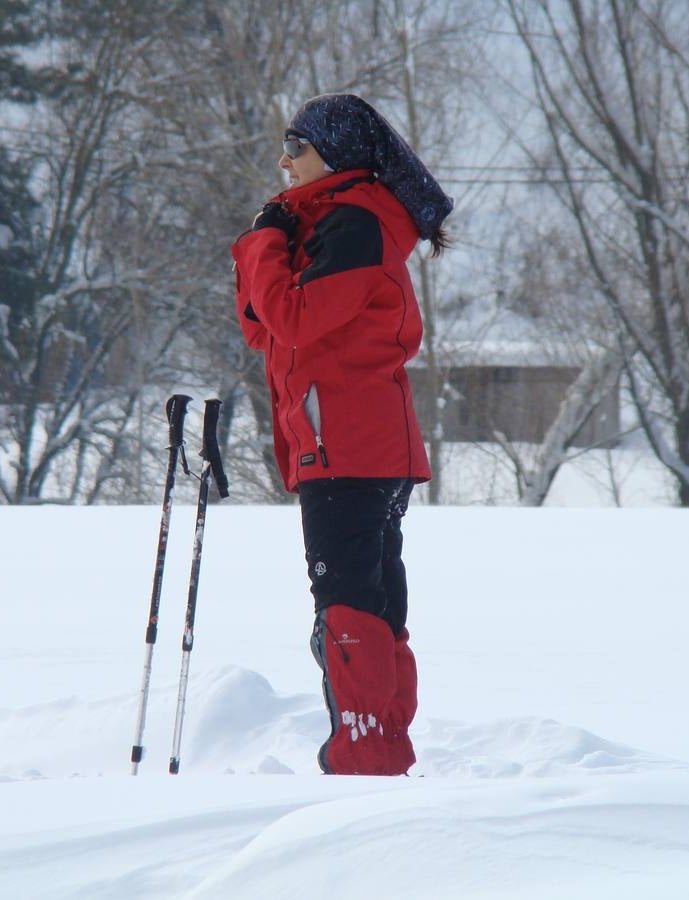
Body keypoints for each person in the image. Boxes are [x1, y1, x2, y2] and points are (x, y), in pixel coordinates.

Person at [230, 93, 453, 775]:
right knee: (373, 602)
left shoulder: (354, 223)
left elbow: (291, 322)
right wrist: (275, 249)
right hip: (359, 444)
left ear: (334, 154)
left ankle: (363, 755)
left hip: (346, 447)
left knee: (349, 607)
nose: (283, 159)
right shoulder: (342, 223)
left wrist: (263, 242)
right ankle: (379, 748)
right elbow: (265, 331)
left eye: (296, 146)